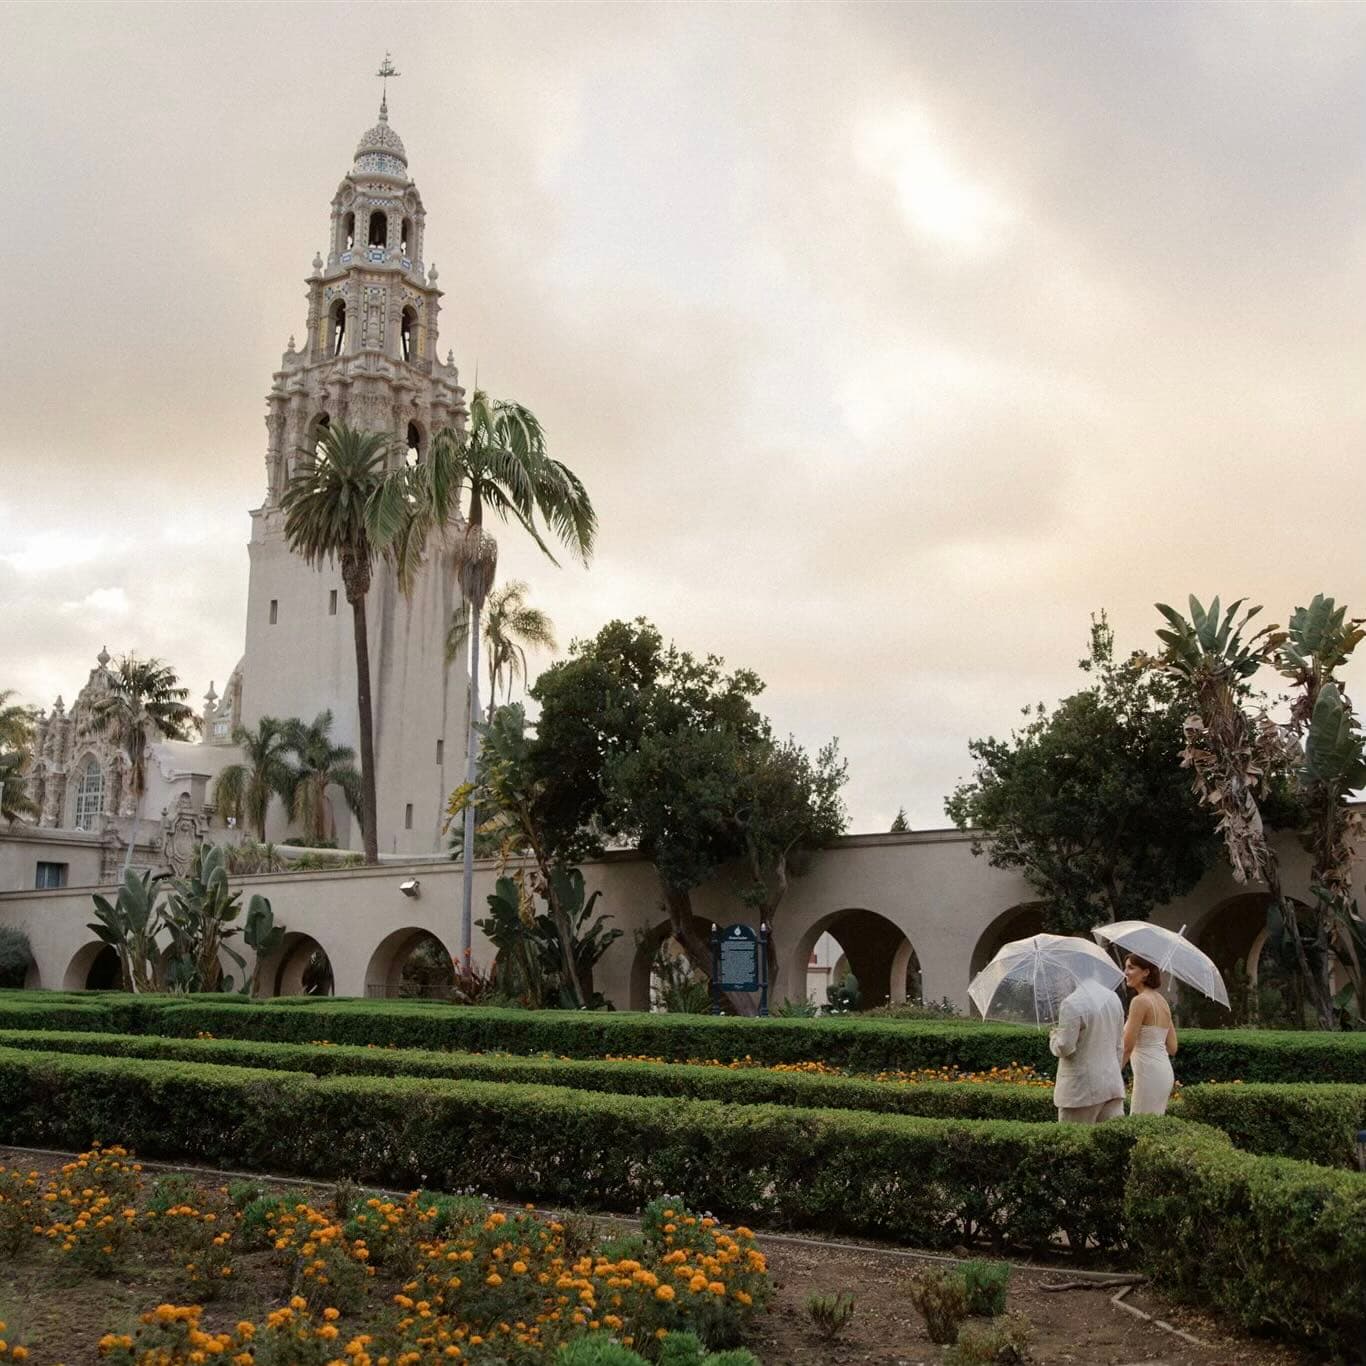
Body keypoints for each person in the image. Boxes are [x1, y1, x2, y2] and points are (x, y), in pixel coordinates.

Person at [1048, 976, 1125, 1124]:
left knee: (1074, 1143)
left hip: (1080, 1092)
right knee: (1108, 1144)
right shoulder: (1113, 998)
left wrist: (1054, 1037)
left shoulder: (1072, 1003)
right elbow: (1119, 1045)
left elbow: (1065, 1047)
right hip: (1111, 1085)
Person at [1123, 953, 1177, 1115]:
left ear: (1146, 972)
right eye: (1125, 967)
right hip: (1163, 1071)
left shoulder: (1139, 1002)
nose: (1125, 972)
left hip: (1148, 1073)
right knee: (1152, 1126)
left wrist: (1112, 1073)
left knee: (1139, 1127)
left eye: (1131, 968)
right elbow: (1173, 1047)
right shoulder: (1162, 1002)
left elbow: (1127, 1047)